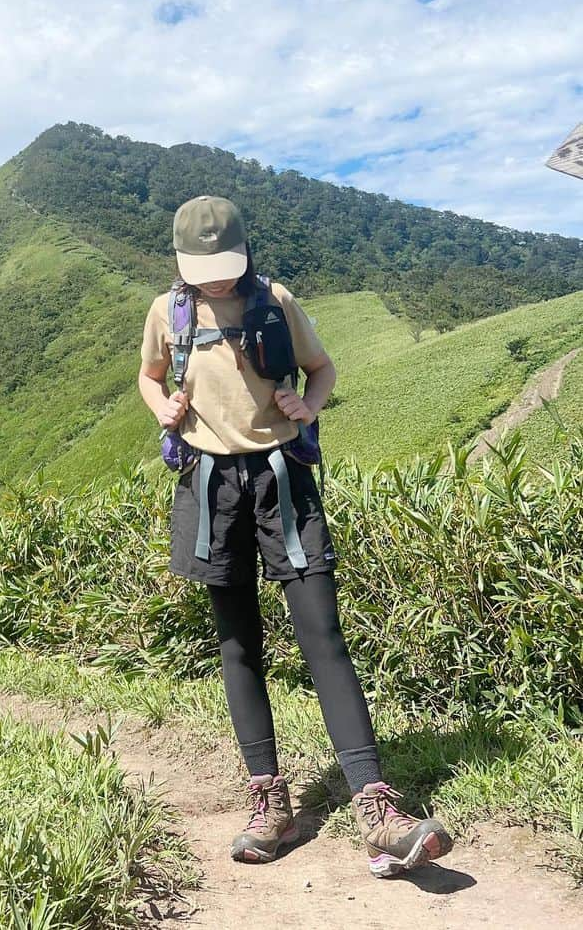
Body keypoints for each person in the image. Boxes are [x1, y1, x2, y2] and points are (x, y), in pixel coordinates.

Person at [138, 194, 453, 878]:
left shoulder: (275, 300)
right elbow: (150, 373)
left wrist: (307, 406)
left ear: (246, 252)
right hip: (209, 485)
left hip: (281, 480)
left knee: (323, 635)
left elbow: (324, 367)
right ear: (180, 262)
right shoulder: (171, 312)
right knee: (237, 643)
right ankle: (270, 803)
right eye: (203, 269)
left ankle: (377, 809)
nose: (216, 280)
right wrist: (161, 405)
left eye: (225, 267)